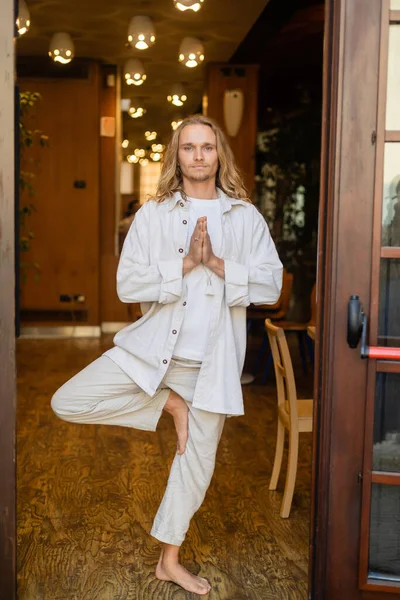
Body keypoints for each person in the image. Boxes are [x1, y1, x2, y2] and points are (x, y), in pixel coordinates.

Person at [51, 114, 283, 595]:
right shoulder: (153, 214)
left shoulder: (245, 216)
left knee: (195, 464)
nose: (198, 155)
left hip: (212, 364)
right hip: (153, 350)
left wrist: (217, 264)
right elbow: (126, 283)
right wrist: (185, 263)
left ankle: (168, 561)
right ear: (175, 155)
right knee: (67, 400)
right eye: (188, 147)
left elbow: (272, 285)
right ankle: (169, 403)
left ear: (220, 154)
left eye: (207, 147)